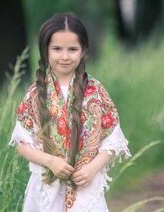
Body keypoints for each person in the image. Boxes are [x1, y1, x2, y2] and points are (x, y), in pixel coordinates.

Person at [9, 13, 131, 211]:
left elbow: (112, 140)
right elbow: (23, 143)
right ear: (46, 50)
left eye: (72, 49)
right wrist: (50, 161)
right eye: (57, 49)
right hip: (46, 186)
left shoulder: (96, 92)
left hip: (85, 185)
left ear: (83, 51)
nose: (65, 56)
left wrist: (92, 168)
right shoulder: (35, 94)